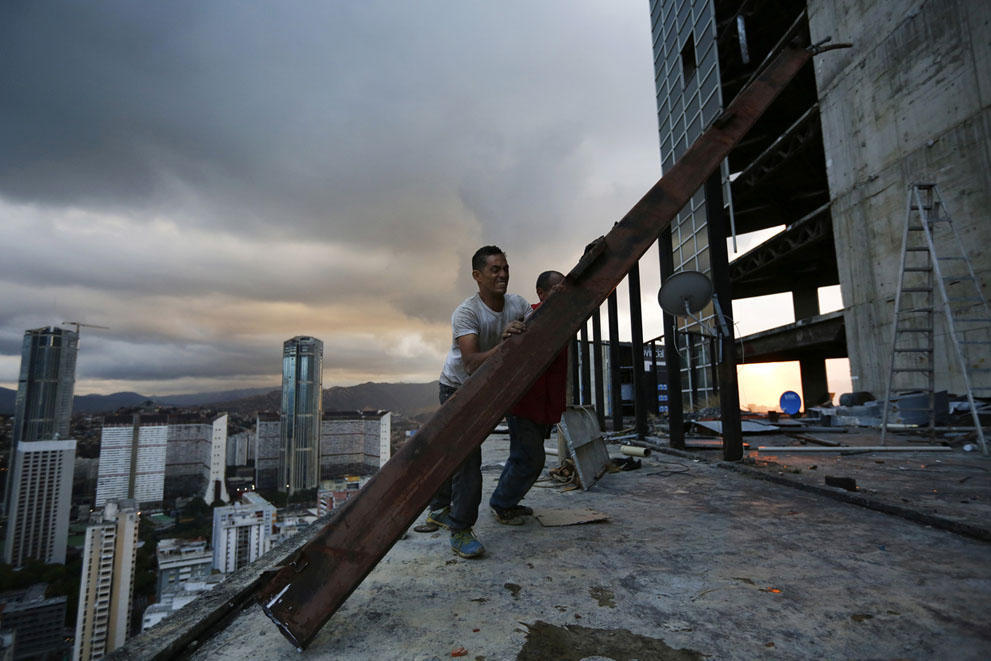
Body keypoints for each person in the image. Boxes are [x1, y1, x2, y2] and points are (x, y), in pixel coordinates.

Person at [428, 245, 530, 558]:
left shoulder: (518, 304)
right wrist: (506, 343)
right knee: (468, 460)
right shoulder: (467, 312)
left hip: (492, 388)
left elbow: (538, 327)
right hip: (458, 387)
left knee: (456, 453)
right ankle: (460, 528)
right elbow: (471, 362)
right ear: (477, 276)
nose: (502, 275)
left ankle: (438, 508)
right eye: (494, 270)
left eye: (505, 268)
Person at [489, 270, 568, 525]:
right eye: (556, 290)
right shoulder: (532, 317)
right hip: (525, 403)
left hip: (540, 403)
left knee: (521, 456)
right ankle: (502, 504)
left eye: (564, 289)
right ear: (541, 293)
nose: (562, 294)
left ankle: (504, 502)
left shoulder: (561, 319)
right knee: (531, 458)